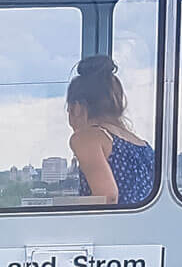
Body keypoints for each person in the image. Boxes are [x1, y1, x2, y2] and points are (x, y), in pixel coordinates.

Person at [66, 55, 154, 207]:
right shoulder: (140, 144)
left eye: (69, 108)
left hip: (117, 228)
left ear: (78, 107)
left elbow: (107, 197)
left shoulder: (87, 138)